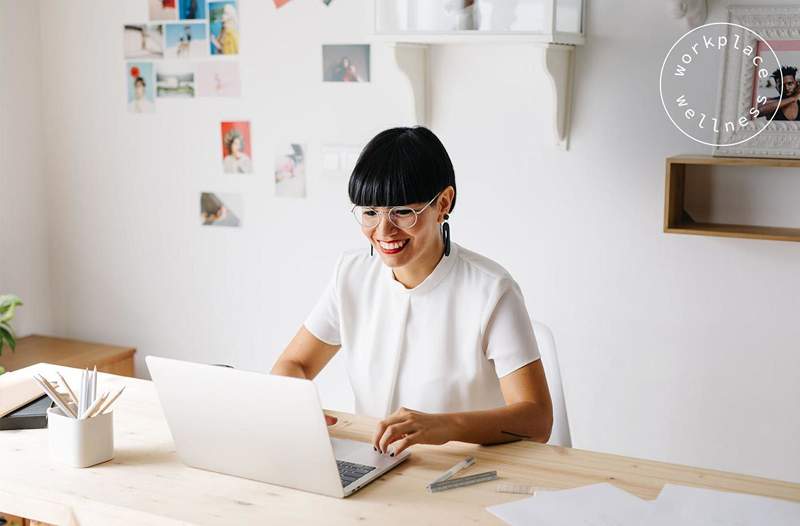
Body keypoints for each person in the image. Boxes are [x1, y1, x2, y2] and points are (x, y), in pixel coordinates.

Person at [271, 126, 553, 457]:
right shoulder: (351, 274)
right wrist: (300, 413)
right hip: (375, 465)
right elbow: (294, 363)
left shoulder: (491, 290)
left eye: (403, 212)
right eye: (370, 213)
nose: (383, 230)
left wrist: (445, 427)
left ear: (443, 204)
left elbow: (537, 419)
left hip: (462, 471)